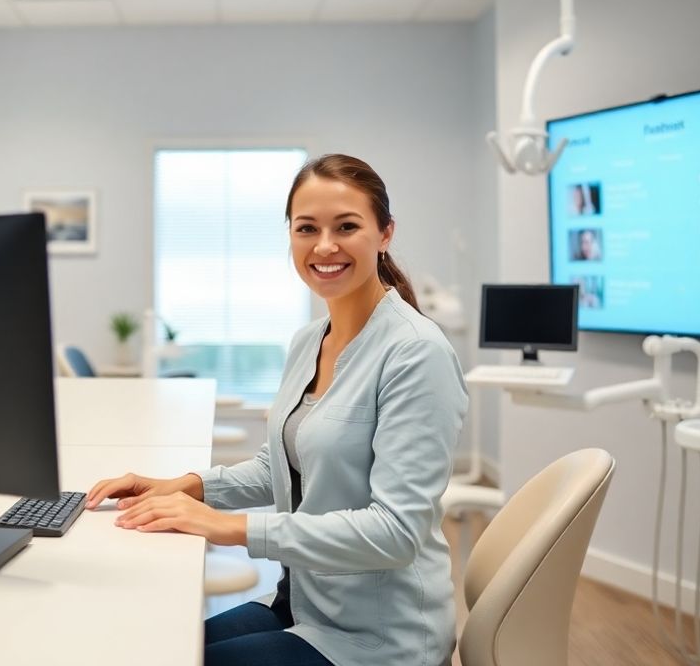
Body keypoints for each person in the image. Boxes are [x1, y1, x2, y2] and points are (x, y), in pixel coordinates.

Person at [86, 154, 467, 666]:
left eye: (346, 226)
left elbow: (396, 533)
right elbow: (281, 466)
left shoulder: (416, 352)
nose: (324, 246)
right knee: (157, 649)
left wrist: (229, 527)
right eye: (307, 228)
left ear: (385, 234)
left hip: (378, 637)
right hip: (303, 603)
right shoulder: (309, 340)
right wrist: (183, 487)